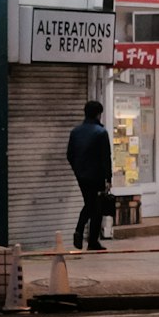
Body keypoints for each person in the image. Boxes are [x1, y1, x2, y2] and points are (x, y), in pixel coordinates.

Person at [67, 98, 113, 251]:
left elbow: (69, 154)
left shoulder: (75, 132)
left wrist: (77, 170)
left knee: (92, 205)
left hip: (82, 176)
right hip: (97, 176)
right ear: (98, 115)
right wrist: (108, 178)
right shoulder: (101, 133)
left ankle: (87, 237)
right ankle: (85, 236)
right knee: (94, 206)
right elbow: (105, 157)